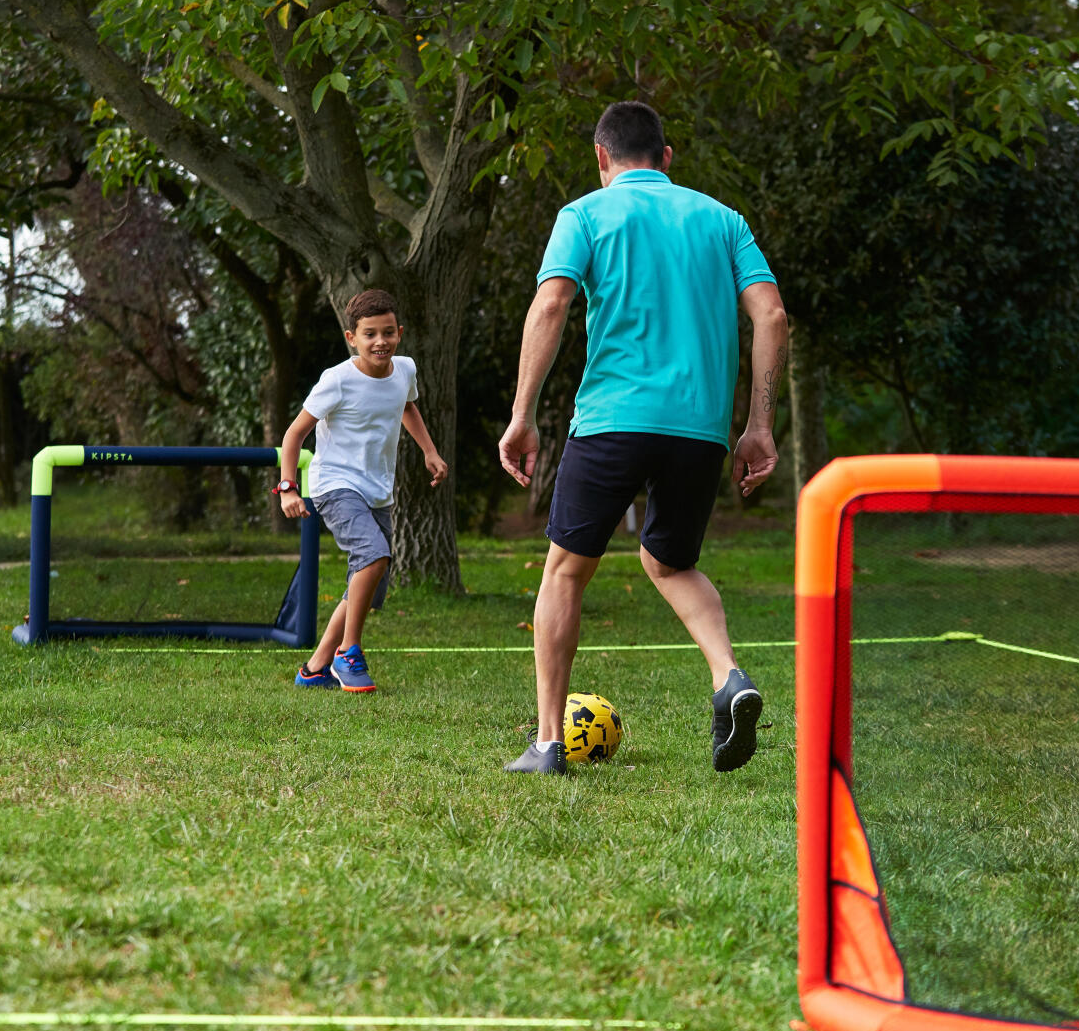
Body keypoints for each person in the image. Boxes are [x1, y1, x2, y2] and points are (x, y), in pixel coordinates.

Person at [498, 100, 789, 775]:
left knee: (567, 570)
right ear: (666, 157)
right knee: (670, 561)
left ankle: (547, 743)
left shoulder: (585, 215)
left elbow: (551, 303)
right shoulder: (723, 220)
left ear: (602, 157)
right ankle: (728, 676)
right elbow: (771, 314)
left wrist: (522, 413)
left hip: (613, 420)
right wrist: (758, 425)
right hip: (700, 429)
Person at [275, 288, 447, 692]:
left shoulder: (405, 370)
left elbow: (407, 406)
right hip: (335, 484)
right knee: (373, 555)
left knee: (366, 587)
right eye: (370, 334)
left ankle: (314, 670)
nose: (380, 342)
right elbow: (294, 434)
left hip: (378, 491)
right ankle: (347, 654)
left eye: (388, 332)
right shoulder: (337, 380)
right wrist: (288, 487)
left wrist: (430, 451)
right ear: (352, 337)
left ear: (400, 332)